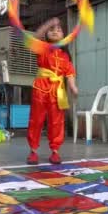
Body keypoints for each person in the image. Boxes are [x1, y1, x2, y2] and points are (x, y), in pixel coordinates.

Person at [26, 17, 78, 165]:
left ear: (64, 35)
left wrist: (73, 87)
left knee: (57, 121)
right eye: (52, 29)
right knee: (36, 119)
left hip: (57, 90)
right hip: (40, 88)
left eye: (59, 29)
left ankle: (55, 151)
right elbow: (35, 37)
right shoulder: (41, 47)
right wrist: (49, 23)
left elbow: (70, 73)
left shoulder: (65, 55)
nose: (55, 31)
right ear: (46, 34)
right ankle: (33, 151)